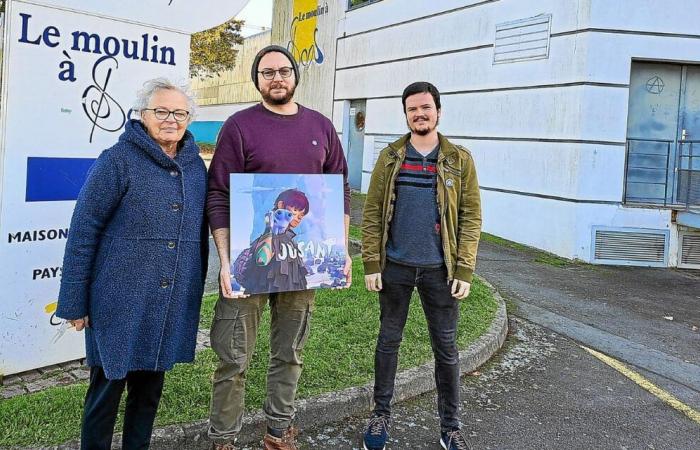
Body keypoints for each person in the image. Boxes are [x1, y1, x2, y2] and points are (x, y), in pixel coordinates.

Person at [206, 45, 351, 450]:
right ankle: (223, 439)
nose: (277, 78)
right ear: (257, 79)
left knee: (289, 353)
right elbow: (218, 195)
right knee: (233, 358)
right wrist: (225, 260)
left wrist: (340, 250)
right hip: (247, 263)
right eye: (267, 72)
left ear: (295, 75)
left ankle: (278, 431)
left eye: (284, 71)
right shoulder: (239, 126)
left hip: (301, 266)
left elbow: (339, 189)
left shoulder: (321, 127)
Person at [55, 78, 208, 450]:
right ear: (142, 115)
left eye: (179, 112)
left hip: (168, 301)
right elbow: (84, 229)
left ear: (189, 118)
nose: (171, 119)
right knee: (105, 393)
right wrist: (75, 301)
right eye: (161, 111)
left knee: (149, 393)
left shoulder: (195, 166)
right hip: (118, 301)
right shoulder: (118, 160)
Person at [361, 81, 482, 450]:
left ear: (439, 112)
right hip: (395, 267)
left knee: (446, 350)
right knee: (388, 342)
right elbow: (371, 213)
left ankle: (450, 428)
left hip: (440, 272)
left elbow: (471, 216)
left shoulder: (459, 160)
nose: (420, 114)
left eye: (426, 107)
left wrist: (464, 268)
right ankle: (380, 416)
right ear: (406, 114)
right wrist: (370, 263)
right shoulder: (390, 156)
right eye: (413, 109)